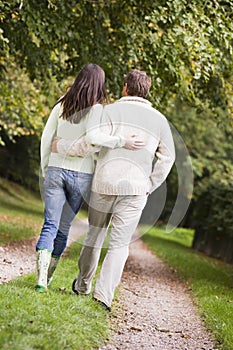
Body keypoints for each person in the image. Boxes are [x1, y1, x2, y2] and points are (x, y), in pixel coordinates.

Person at [53, 69, 175, 310]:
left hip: (104, 184)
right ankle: (103, 297)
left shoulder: (109, 111)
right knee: (120, 245)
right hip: (135, 189)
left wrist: (61, 146)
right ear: (146, 91)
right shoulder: (160, 120)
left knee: (95, 235)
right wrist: (150, 184)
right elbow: (167, 158)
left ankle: (83, 285)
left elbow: (90, 143)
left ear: (125, 88)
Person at [36, 63, 143, 292]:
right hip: (81, 175)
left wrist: (46, 167)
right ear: (99, 84)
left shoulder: (61, 104)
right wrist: (121, 140)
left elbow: (47, 139)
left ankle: (41, 280)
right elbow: (94, 138)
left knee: (50, 225)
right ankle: (49, 276)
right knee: (63, 227)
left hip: (55, 170)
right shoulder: (96, 109)